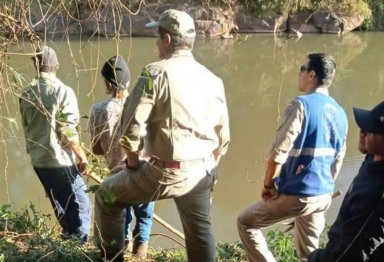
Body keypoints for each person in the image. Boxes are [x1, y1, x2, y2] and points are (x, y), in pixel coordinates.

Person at [93, 9, 230, 262]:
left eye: (158, 36)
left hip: (164, 173)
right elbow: (223, 138)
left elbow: (131, 127)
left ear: (167, 39)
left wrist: (132, 165)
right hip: (202, 171)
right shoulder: (214, 79)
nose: (156, 42)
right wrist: (207, 167)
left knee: (106, 195)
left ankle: (111, 257)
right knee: (200, 232)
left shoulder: (153, 73)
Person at [237, 53, 348, 262]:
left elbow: (277, 153)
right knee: (309, 255)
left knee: (245, 223)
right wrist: (324, 188)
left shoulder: (301, 105)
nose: (299, 73)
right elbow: (338, 160)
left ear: (312, 75)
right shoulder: (340, 113)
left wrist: (268, 185)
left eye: (302, 69)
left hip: (299, 193)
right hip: (322, 195)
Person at [19, 46, 91, 243]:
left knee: (59, 202)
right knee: (81, 205)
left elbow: (26, 126)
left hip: (38, 159)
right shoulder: (62, 91)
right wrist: (82, 156)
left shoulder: (26, 93)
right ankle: (78, 247)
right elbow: (67, 131)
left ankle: (67, 239)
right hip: (60, 160)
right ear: (56, 66)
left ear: (35, 64)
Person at [87, 55, 154, 258]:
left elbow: (97, 149)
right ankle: (141, 252)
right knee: (144, 215)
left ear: (108, 84)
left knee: (120, 215)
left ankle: (120, 251)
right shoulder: (143, 107)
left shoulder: (98, 110)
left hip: (117, 176)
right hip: (144, 171)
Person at [308, 98, 384, 262]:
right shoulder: (374, 158)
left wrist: (313, 259)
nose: (362, 130)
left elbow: (350, 255)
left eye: (371, 129)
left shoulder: (377, 197)